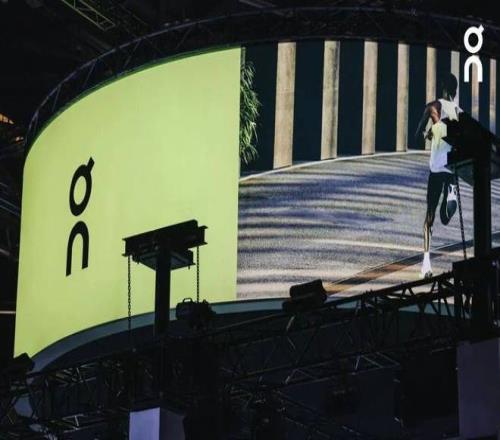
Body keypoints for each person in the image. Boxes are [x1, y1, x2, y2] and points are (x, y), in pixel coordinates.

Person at [416, 73, 461, 278]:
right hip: (451, 170)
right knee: (445, 217)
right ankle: (451, 193)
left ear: (442, 88)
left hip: (436, 169)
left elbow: (417, 136)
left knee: (430, 217)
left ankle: (426, 264)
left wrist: (427, 134)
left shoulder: (432, 107)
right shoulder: (458, 112)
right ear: (455, 91)